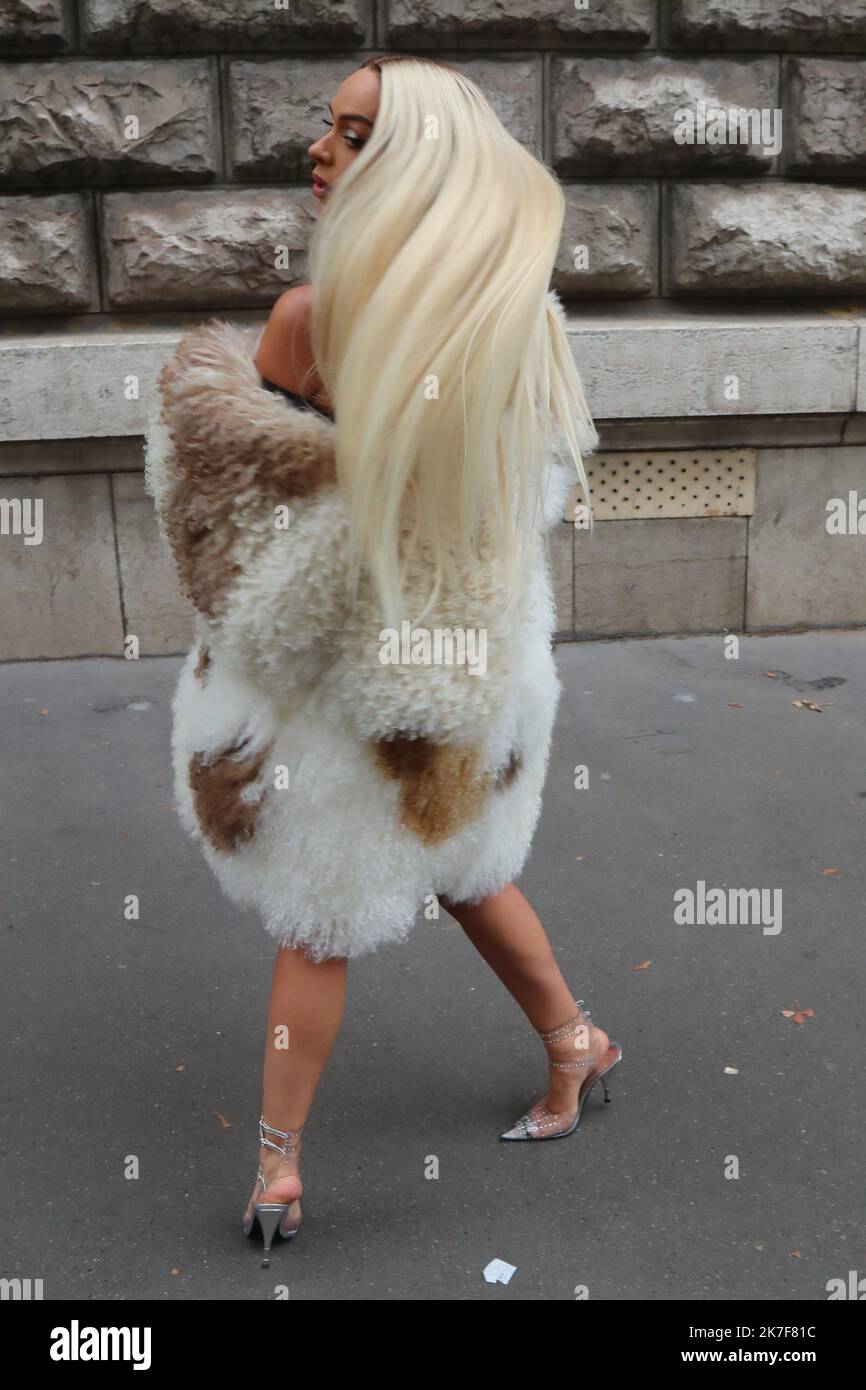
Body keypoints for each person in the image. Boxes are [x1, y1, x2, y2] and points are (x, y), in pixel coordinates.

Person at [144, 53, 622, 1255]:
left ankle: (278, 1170)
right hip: (465, 675)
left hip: (348, 695)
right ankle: (574, 1040)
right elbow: (520, 502)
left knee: (316, 918)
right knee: (464, 869)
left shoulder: (311, 321)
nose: (320, 148)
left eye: (354, 133)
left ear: (414, 161)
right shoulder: (514, 319)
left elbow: (239, 534)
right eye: (328, 124)